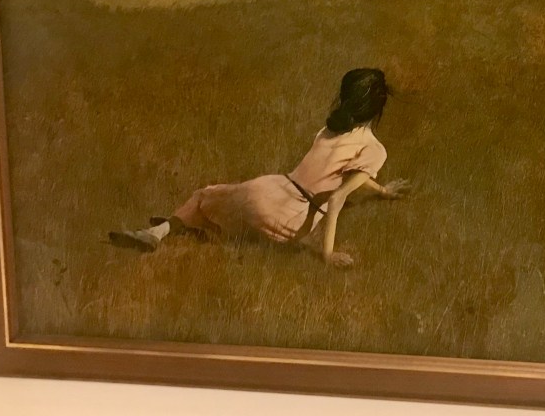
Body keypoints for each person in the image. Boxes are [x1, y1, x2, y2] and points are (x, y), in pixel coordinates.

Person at [109, 68, 409, 267]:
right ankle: (195, 230)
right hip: (291, 216)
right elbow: (338, 197)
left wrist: (381, 190)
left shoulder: (329, 130)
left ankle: (159, 232)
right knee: (236, 226)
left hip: (270, 187)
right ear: (378, 108)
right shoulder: (374, 150)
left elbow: (350, 176)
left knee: (205, 196)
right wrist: (328, 254)